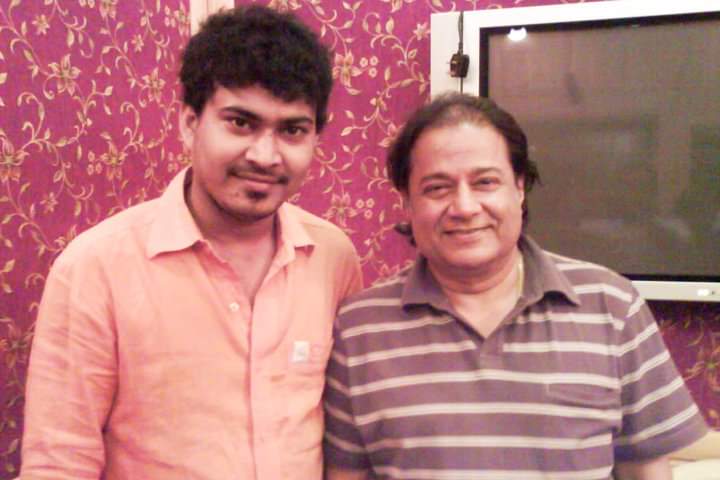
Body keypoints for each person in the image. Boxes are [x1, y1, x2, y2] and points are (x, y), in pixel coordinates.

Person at [20, 6, 362, 479]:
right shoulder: (96, 267)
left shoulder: (333, 258)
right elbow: (59, 463)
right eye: (240, 122)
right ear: (189, 122)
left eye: (292, 130)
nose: (265, 155)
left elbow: (344, 436)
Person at [323, 93, 707, 480]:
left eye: (485, 182)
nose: (465, 207)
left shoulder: (613, 306)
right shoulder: (359, 328)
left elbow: (646, 469)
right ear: (407, 201)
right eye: (437, 188)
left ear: (519, 188)